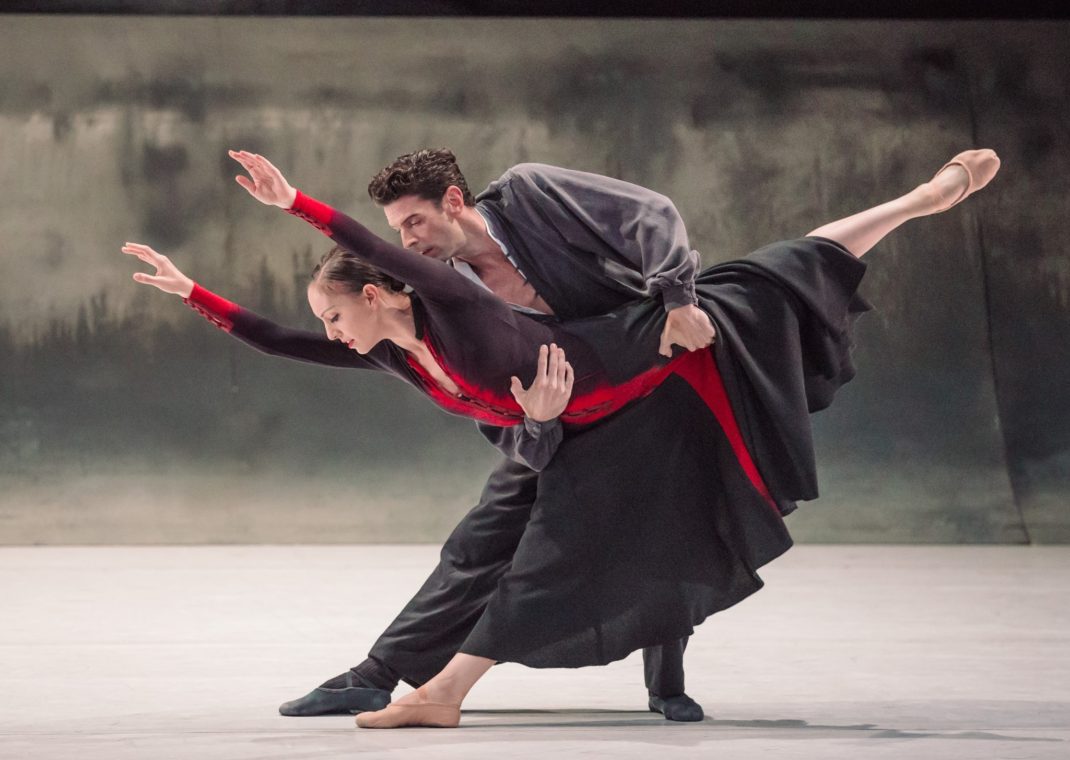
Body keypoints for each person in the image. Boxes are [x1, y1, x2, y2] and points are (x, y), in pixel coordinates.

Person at [125, 147, 1000, 728]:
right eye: (400, 239)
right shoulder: (416, 332)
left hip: (652, 352)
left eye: (414, 228)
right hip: (561, 418)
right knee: (481, 543)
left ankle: (919, 199)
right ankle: (381, 672)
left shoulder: (511, 223)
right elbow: (298, 338)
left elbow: (654, 217)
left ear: (450, 206)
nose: (409, 242)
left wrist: (679, 300)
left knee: (775, 277)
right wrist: (193, 291)